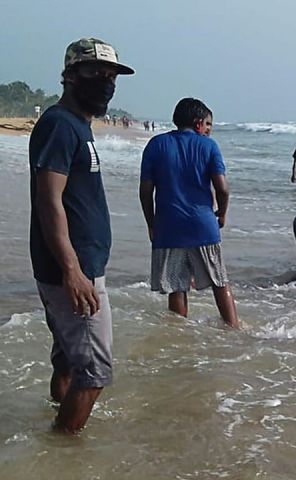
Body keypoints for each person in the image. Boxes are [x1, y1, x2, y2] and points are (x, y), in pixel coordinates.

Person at [29, 38, 134, 433]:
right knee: (94, 374)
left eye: (111, 76)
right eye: (94, 72)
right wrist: (73, 270)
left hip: (72, 266)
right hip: (73, 271)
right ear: (70, 75)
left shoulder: (77, 125)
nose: (105, 82)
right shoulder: (59, 124)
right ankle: (62, 452)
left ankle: (56, 422)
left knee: (70, 362)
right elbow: (49, 201)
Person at [139, 98, 240, 329]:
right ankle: (233, 329)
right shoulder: (209, 146)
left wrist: (151, 223)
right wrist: (222, 214)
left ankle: (180, 334)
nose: (209, 130)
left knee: (176, 285)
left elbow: (145, 191)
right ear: (197, 124)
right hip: (202, 224)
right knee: (219, 281)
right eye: (208, 125)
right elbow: (222, 189)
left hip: (168, 224)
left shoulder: (156, 145)